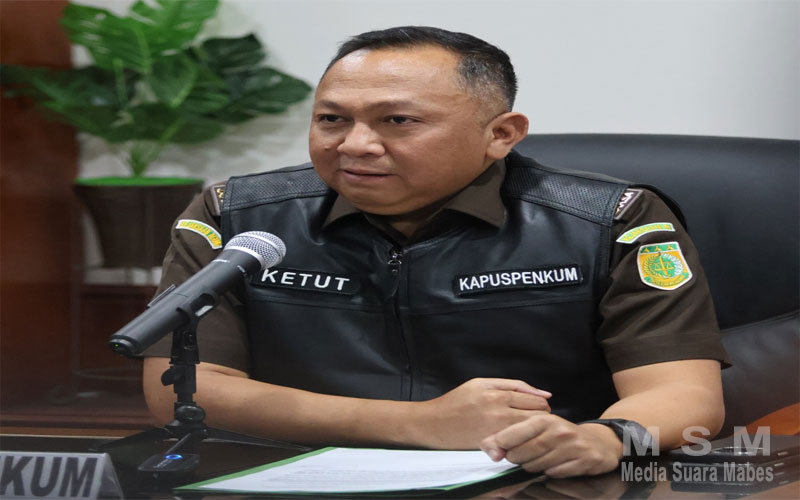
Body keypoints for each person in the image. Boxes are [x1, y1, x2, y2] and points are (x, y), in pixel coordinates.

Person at [143, 26, 728, 478]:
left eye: (397, 120)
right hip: (295, 474)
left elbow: (685, 397)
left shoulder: (611, 221)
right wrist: (419, 423)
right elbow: (184, 389)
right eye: (331, 119)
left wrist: (605, 439)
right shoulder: (237, 217)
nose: (355, 144)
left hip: (534, 480)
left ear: (501, 134)